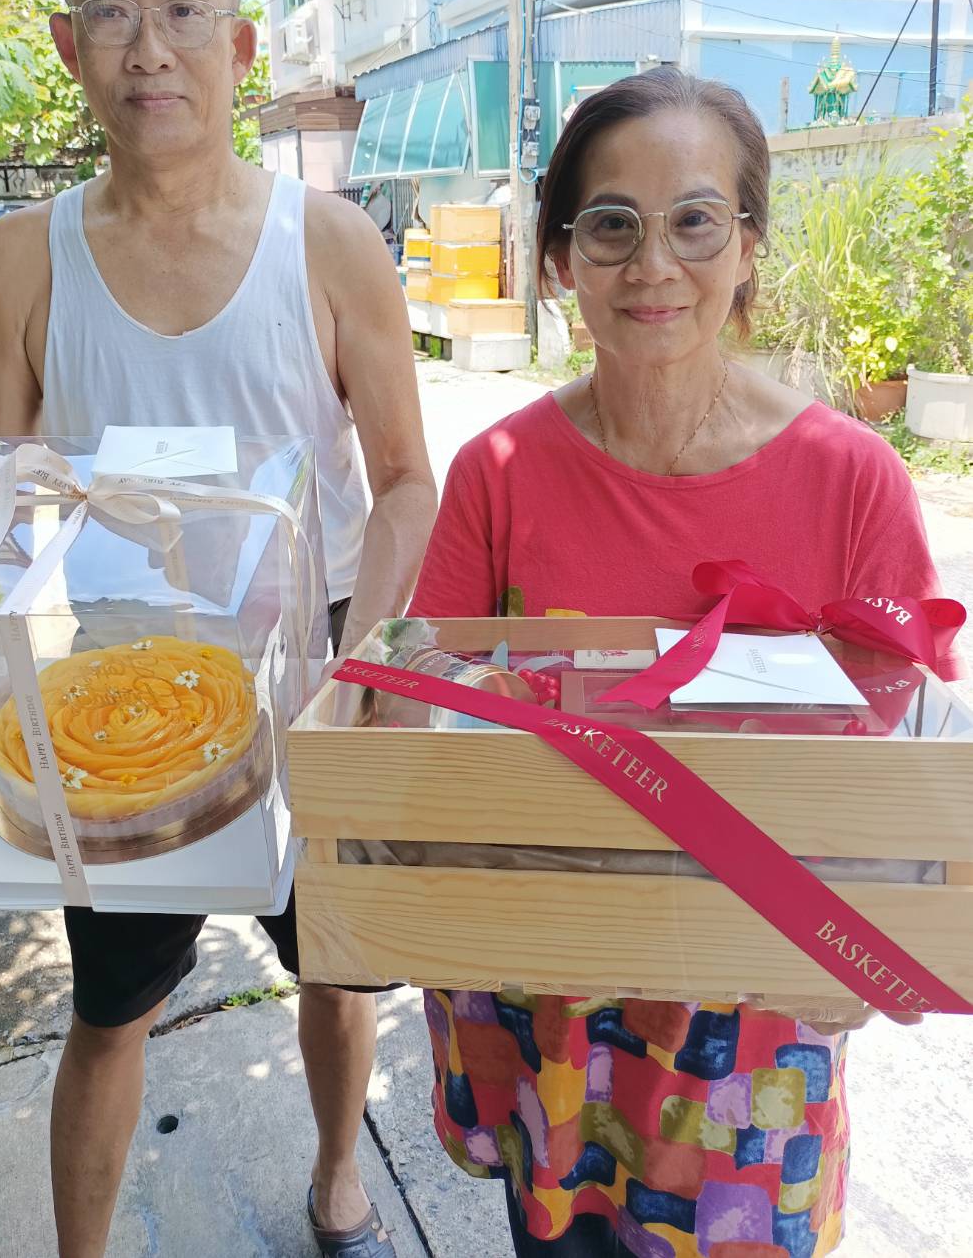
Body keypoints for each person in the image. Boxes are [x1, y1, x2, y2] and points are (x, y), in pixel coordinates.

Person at [408, 68, 959, 1256]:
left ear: (750, 245)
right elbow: (427, 726)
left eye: (695, 221)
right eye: (609, 225)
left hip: (750, 1023)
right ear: (559, 258)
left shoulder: (851, 478)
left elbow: (904, 776)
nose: (651, 265)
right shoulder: (498, 471)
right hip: (552, 1002)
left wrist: (867, 948)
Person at [0, 0, 436, 1258]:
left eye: (182, 12)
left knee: (336, 959)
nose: (147, 48)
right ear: (69, 47)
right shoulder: (20, 259)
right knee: (109, 1003)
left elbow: (407, 481)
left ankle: (339, 1175)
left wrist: (366, 666)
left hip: (320, 653)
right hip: (123, 689)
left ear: (238, 52)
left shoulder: (330, 242)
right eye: (110, 14)